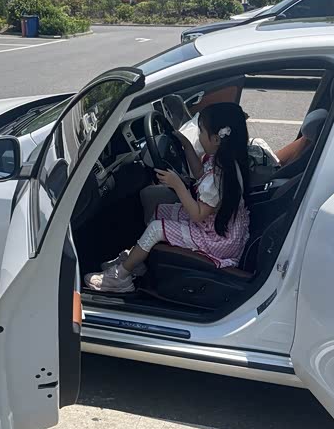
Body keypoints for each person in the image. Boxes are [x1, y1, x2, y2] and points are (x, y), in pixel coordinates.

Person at [84, 103, 253, 293]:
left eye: (201, 131)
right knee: (160, 207)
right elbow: (199, 173)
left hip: (216, 240)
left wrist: (177, 185)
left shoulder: (218, 178)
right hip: (218, 225)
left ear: (216, 139)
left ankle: (121, 277)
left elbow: (197, 214)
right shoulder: (225, 161)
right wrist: (186, 145)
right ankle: (136, 259)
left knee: (156, 228)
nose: (199, 135)